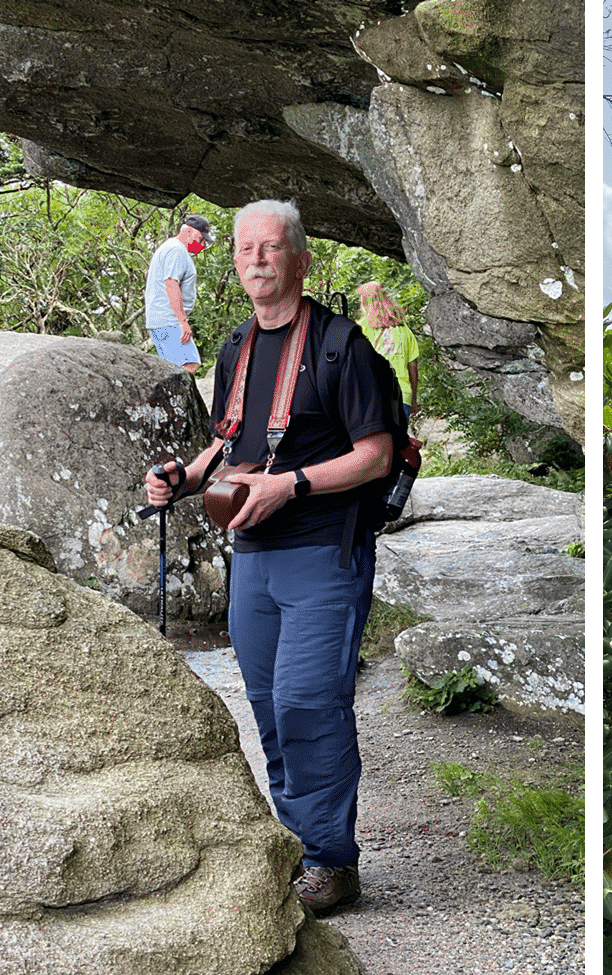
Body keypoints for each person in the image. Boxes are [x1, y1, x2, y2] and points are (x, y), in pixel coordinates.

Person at [143, 199, 395, 914]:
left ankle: (331, 860)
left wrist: (293, 484)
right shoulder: (238, 348)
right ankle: (298, 840)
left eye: (272, 247)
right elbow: (229, 441)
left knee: (309, 699)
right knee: (268, 706)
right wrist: (181, 480)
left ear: (301, 259)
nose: (257, 258)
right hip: (252, 555)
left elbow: (375, 456)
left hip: (324, 549)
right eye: (246, 249)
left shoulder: (343, 346)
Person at [144, 214, 214, 374]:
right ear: (188, 232)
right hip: (169, 320)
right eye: (200, 239)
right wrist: (182, 321)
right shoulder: (176, 250)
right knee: (189, 364)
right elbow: (171, 283)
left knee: (172, 369)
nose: (202, 245)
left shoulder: (171, 248)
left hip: (162, 319)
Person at [356, 281, 420, 418]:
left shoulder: (360, 328)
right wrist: (413, 399)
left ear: (367, 304)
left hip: (372, 395)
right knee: (398, 438)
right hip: (402, 395)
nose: (361, 307)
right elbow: (413, 366)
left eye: (362, 303)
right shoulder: (404, 330)